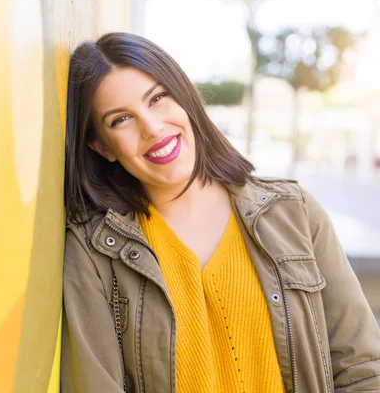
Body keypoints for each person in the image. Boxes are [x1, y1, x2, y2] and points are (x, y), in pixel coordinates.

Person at [61, 32, 380, 393]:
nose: (152, 128)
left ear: (185, 98)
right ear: (102, 147)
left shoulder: (294, 212)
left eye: (158, 98)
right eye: (121, 119)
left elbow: (361, 368)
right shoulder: (94, 253)